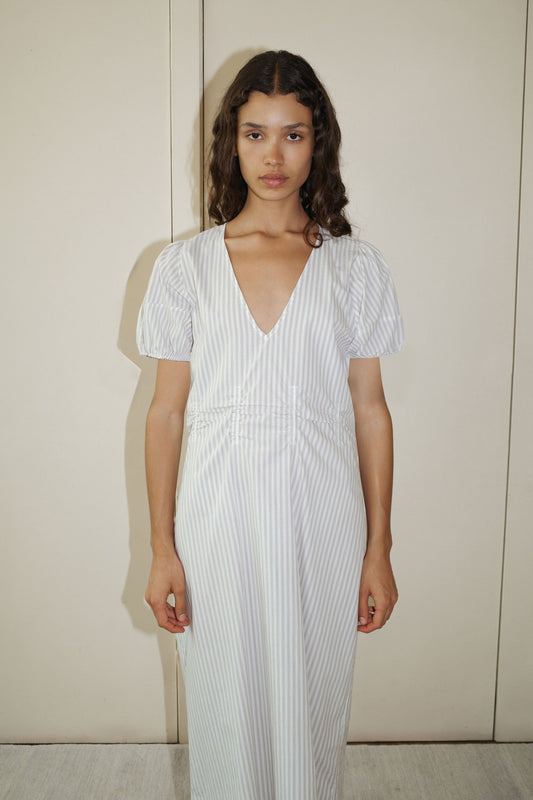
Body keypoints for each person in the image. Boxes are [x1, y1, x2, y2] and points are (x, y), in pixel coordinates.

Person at [136, 49, 404, 800]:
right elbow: (165, 411)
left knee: (312, 706)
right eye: (255, 134)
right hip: (216, 519)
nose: (273, 155)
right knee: (224, 708)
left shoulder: (353, 267)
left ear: (319, 142)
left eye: (293, 134)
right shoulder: (185, 266)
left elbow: (370, 411)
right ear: (231, 142)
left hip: (322, 518)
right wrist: (162, 548)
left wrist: (379, 549)